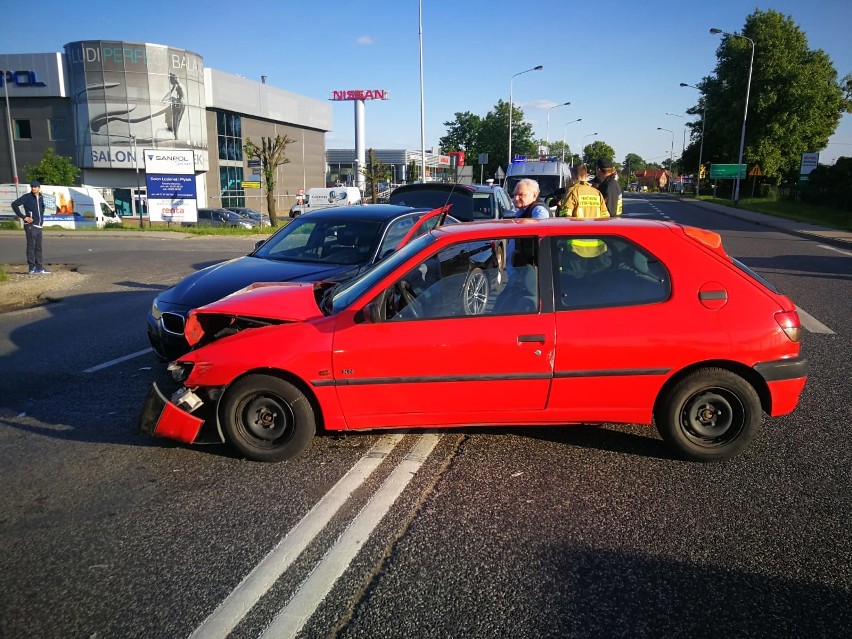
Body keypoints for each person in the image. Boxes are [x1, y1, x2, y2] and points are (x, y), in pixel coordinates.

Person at [12, 181, 50, 274]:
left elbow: (42, 208)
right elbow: (14, 204)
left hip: (39, 226)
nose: (33, 188)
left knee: (38, 247)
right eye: (32, 186)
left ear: (39, 187)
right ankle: (32, 268)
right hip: (30, 226)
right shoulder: (27, 197)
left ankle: (39, 267)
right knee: (31, 246)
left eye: (35, 187)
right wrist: (24, 217)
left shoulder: (41, 197)